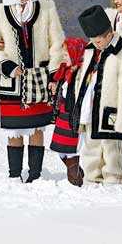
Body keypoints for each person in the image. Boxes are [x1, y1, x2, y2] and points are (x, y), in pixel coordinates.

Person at [0, 0, 65, 182]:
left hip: (39, 79)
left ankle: (35, 176)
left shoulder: (46, 8)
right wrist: (5, 64)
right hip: (11, 81)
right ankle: (14, 176)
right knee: (15, 132)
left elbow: (57, 43)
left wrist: (54, 73)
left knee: (37, 129)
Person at [68, 5, 122, 185]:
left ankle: (115, 180)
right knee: (91, 147)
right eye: (92, 40)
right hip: (91, 108)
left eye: (99, 40)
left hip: (112, 112)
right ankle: (92, 178)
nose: (95, 43)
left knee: (111, 149)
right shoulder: (91, 50)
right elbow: (83, 78)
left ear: (109, 34)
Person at [48, 36, 88, 186]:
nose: (64, 57)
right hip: (63, 114)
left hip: (72, 116)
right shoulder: (65, 70)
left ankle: (75, 179)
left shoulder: (80, 74)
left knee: (70, 149)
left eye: (66, 54)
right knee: (60, 150)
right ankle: (76, 170)